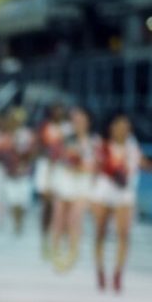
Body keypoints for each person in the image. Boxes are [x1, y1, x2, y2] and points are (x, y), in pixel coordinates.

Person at [89, 114, 152, 292]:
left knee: (124, 235)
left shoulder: (132, 146)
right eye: (120, 125)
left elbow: (146, 165)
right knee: (100, 233)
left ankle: (118, 274)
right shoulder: (101, 144)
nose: (123, 129)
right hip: (103, 191)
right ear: (111, 127)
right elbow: (94, 167)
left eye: (126, 126)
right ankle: (100, 270)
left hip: (125, 194)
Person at [48, 106, 93, 272]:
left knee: (74, 220)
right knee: (59, 219)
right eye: (75, 120)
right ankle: (56, 253)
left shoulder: (93, 141)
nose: (78, 123)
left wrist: (81, 167)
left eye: (81, 120)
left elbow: (94, 165)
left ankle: (72, 254)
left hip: (82, 184)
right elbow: (54, 156)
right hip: (64, 181)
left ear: (88, 122)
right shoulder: (64, 138)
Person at [33, 103, 69, 257]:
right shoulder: (44, 127)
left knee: (60, 205)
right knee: (47, 205)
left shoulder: (68, 128)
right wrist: (47, 151)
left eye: (60, 111)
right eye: (55, 111)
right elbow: (37, 145)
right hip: (46, 166)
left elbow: (70, 148)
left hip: (62, 168)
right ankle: (45, 238)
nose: (58, 114)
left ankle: (58, 239)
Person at [0, 107, 35, 236]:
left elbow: (32, 152)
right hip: (10, 173)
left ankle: (20, 221)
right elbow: (2, 152)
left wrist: (24, 161)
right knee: (13, 202)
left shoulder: (26, 134)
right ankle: (16, 223)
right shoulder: (6, 134)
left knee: (22, 202)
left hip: (23, 173)